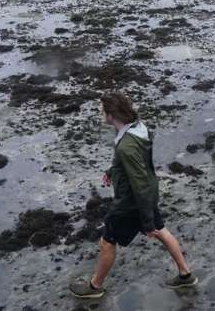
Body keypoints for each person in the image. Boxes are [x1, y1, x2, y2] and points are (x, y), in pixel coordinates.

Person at [69, 92, 197, 298]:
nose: (100, 114)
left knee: (107, 242)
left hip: (131, 202)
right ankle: (186, 274)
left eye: (101, 111)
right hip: (147, 194)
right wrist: (113, 170)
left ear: (111, 115)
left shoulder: (126, 146)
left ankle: (94, 287)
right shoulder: (138, 128)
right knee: (161, 231)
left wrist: (146, 222)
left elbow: (139, 182)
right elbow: (138, 162)